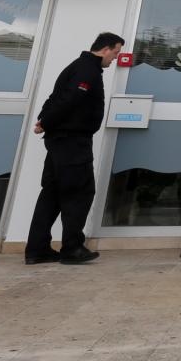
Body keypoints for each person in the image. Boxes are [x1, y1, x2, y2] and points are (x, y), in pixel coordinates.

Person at [25, 32, 122, 266]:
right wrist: (46, 122)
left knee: (52, 194)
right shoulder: (88, 70)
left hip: (61, 141)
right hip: (72, 143)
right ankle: (72, 248)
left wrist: (44, 120)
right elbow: (70, 99)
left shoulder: (77, 66)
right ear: (105, 49)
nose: (115, 59)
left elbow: (55, 97)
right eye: (116, 53)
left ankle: (37, 249)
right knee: (79, 193)